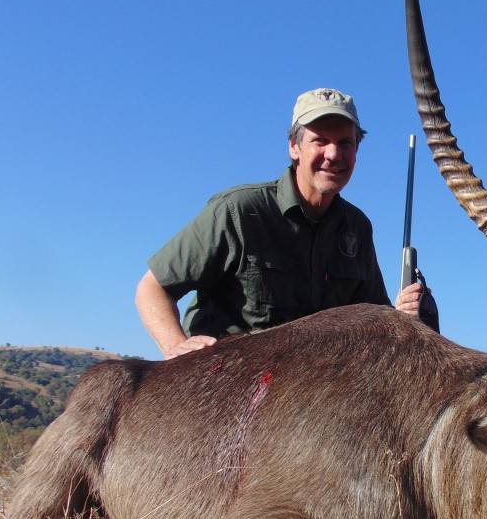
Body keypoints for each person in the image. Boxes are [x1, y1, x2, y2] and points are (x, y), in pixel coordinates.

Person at [135, 87, 427, 359]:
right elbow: (152, 289)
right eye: (320, 140)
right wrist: (176, 345)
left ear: (356, 151)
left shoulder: (357, 227)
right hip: (230, 382)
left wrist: (399, 314)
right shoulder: (238, 210)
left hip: (309, 390)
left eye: (344, 143)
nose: (333, 154)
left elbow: (371, 317)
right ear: (294, 147)